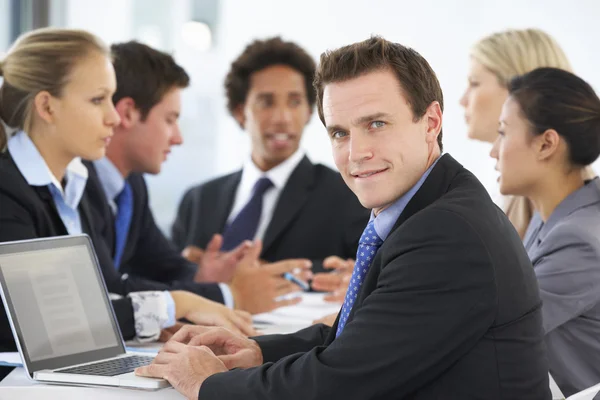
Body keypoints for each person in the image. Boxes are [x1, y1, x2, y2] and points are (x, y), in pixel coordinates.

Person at [136, 36, 550, 399]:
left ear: (431, 122)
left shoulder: (446, 233)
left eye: (376, 124)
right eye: (340, 132)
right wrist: (258, 350)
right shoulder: (428, 208)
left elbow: (339, 383)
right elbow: (364, 337)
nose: (356, 153)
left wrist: (208, 385)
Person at [0, 28, 253, 353]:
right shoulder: (7, 190)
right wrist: (175, 304)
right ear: (47, 107)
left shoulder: (72, 184)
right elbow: (39, 324)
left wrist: (162, 318)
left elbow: (106, 290)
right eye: (97, 100)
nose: (112, 117)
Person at [84, 40, 308, 315]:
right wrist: (226, 295)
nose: (178, 138)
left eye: (296, 102)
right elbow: (107, 292)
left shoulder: (131, 185)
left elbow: (161, 264)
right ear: (128, 113)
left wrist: (204, 274)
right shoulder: (76, 183)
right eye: (170, 119)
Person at [171, 37, 369, 275]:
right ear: (240, 112)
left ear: (309, 112)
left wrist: (270, 273)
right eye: (266, 102)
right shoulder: (198, 200)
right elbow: (167, 276)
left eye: (295, 102)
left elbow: (364, 274)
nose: (283, 117)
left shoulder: (348, 195)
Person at [490, 67, 600, 396]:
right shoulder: (554, 213)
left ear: (546, 144)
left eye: (503, 132)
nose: (494, 151)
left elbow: (495, 328)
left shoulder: (578, 239)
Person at [460, 28, 595, 238]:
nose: (463, 100)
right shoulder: (515, 196)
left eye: (475, 83)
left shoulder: (572, 223)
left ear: (521, 89)